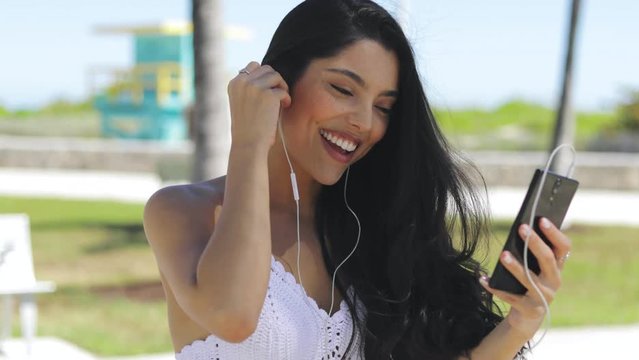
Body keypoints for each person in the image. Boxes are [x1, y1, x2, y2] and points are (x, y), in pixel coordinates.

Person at [142, 0, 573, 359]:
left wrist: (522, 321)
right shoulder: (184, 211)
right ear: (279, 83)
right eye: (344, 90)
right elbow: (232, 316)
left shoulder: (369, 225)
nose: (364, 123)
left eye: (384, 106)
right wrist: (250, 144)